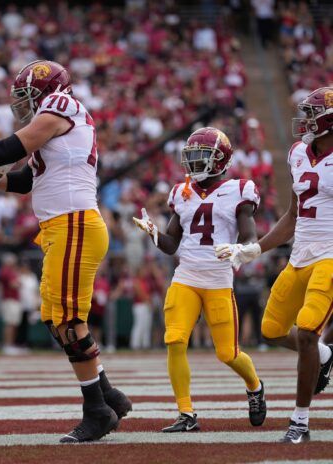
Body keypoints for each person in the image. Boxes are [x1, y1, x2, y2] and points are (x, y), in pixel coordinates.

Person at [0, 60, 131, 443]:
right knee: (53, 317)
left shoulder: (63, 105)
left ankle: (97, 410)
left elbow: (15, 146)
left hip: (74, 223)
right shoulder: (60, 120)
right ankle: (108, 394)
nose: (24, 104)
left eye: (28, 95)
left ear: (47, 90)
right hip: (61, 228)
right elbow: (26, 178)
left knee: (67, 319)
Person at [215, 87, 333, 443]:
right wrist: (252, 249)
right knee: (271, 329)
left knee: (309, 332)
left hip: (330, 256)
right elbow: (293, 216)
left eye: (312, 114)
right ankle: (326, 356)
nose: (306, 121)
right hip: (300, 256)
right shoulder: (298, 152)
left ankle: (300, 421)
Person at [133, 127, 266, 433]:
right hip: (186, 277)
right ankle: (186, 412)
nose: (194, 163)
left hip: (219, 280)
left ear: (220, 160)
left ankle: (255, 386)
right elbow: (172, 245)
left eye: (201, 156)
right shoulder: (181, 192)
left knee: (227, 353)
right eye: (191, 157)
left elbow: (249, 236)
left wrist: (239, 248)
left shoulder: (239, 190)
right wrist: (154, 233)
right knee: (175, 340)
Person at [0, 253, 23, 355]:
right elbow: (13, 285)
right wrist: (18, 283)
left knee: (13, 324)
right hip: (9, 300)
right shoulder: (6, 271)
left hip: (13, 300)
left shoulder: (10, 271)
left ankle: (11, 345)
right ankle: (7, 345)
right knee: (10, 323)